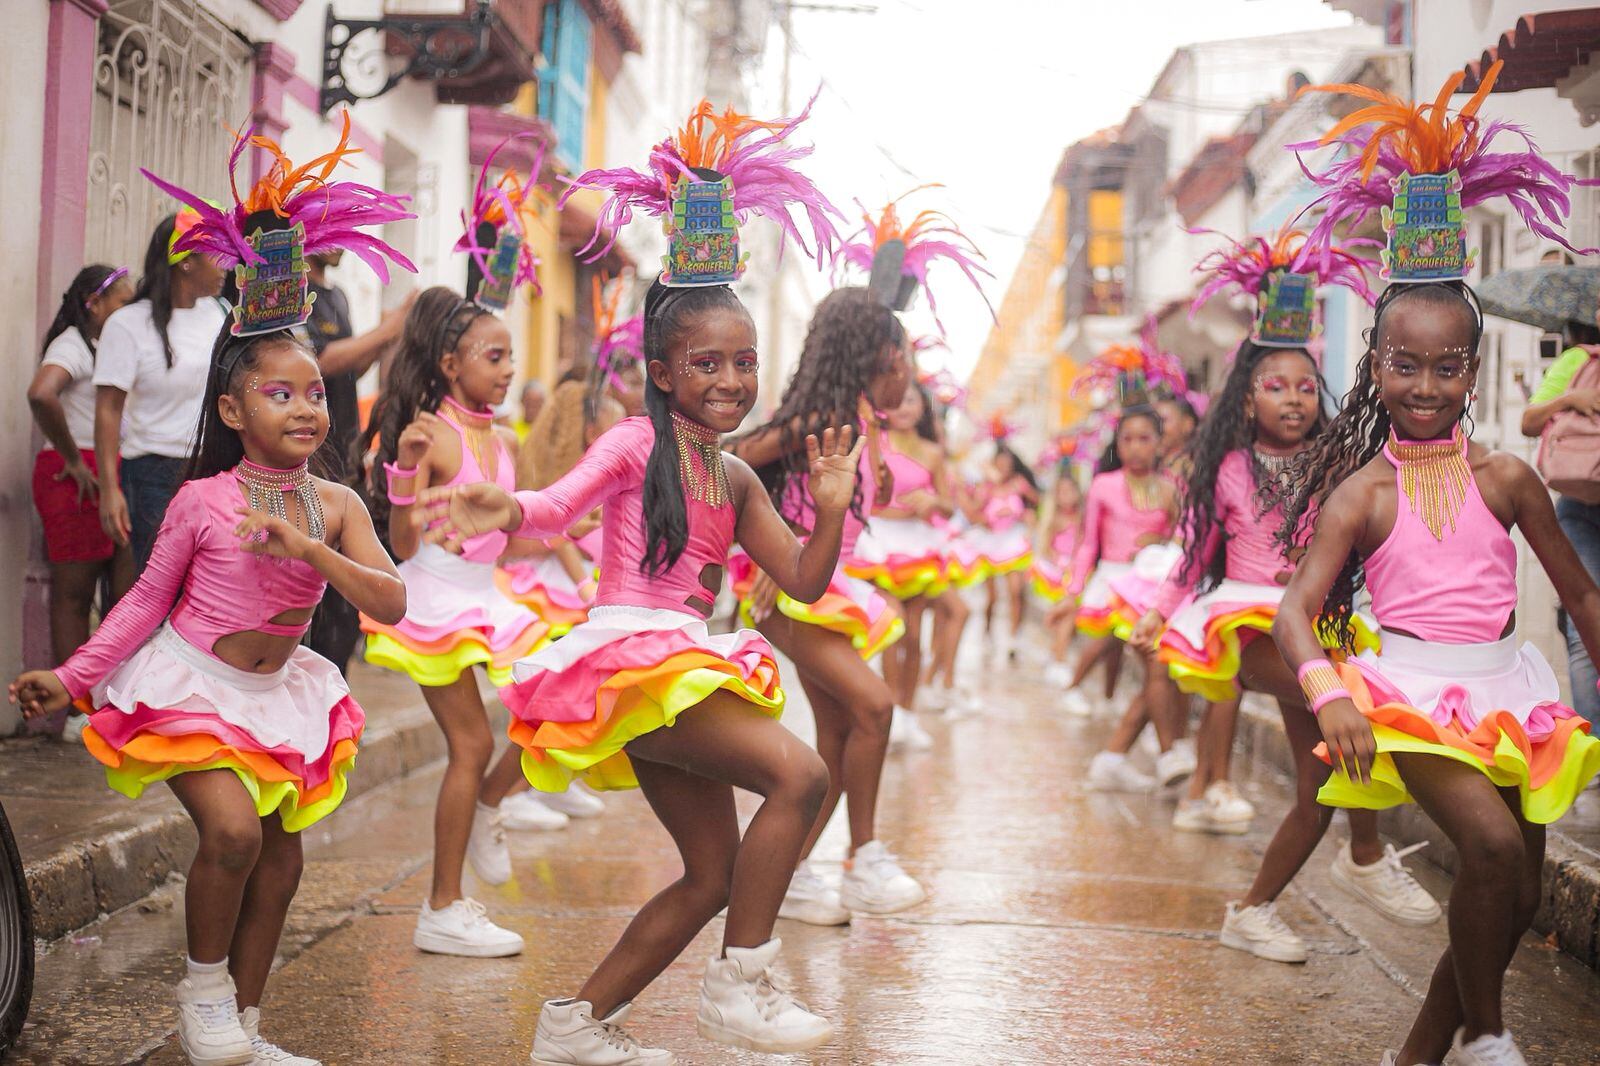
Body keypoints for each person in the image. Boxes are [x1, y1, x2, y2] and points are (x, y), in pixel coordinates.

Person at [421, 279, 850, 1061]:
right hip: (635, 657)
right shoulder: (633, 441)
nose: (730, 381)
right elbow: (557, 505)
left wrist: (827, 511)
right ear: (662, 373)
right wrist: (507, 506)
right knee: (803, 776)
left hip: (682, 661)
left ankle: (574, 1027)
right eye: (706, 364)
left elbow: (804, 580)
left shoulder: (738, 477)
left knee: (711, 876)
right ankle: (740, 984)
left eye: (744, 362)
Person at [10, 324, 405, 1066]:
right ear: (232, 412)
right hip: (190, 687)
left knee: (282, 864)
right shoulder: (201, 501)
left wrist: (312, 549)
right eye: (278, 393)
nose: (304, 409)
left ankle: (245, 1033)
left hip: (278, 696)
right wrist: (69, 678)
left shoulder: (337, 503)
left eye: (315, 394)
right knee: (233, 835)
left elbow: (391, 602)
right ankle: (202, 999)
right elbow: (141, 603)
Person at [1130, 336, 1436, 957]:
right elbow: (1194, 554)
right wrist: (1157, 614)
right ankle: (1367, 852)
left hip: (1312, 622)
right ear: (1247, 400)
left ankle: (1251, 912)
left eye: (1304, 386)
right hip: (1246, 625)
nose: (1293, 399)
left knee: (1319, 784)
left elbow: (1361, 545)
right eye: (1276, 387)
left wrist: (1321, 562)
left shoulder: (1334, 462)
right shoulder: (1227, 468)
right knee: (1346, 706)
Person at [356, 287, 551, 958]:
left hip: (489, 596)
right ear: (448, 363)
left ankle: (491, 807)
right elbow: (404, 546)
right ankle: (441, 906)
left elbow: (509, 539)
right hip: (436, 600)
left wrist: (578, 532)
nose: (505, 370)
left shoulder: (503, 438)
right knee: (468, 746)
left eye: (509, 357)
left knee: (560, 703)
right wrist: (406, 471)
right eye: (492, 357)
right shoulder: (431, 433)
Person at [733, 288, 924, 926]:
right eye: (903, 357)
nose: (909, 372)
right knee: (874, 705)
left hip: (825, 591)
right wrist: (772, 546)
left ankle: (789, 878)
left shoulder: (859, 421)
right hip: (789, 591)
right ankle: (864, 857)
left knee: (840, 740)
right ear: (879, 356)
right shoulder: (823, 417)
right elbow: (727, 462)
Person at [95, 212, 228, 571]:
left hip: (211, 469)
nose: (227, 265)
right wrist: (110, 490)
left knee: (206, 581)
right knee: (161, 583)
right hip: (153, 474)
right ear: (186, 262)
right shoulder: (127, 325)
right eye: (217, 254)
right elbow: (108, 409)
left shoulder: (216, 314)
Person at [301, 249, 412, 676]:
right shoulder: (297, 293)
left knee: (345, 596)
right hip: (310, 458)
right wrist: (385, 329)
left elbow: (349, 369)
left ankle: (335, 686)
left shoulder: (339, 295)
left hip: (344, 452)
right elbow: (320, 362)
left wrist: (386, 338)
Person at [28, 265, 137, 672]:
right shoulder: (73, 343)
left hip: (111, 469)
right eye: (124, 303)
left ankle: (107, 698)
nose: (131, 311)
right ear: (94, 304)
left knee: (125, 594)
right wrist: (73, 458)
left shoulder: (111, 344)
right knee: (74, 595)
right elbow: (41, 393)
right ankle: (76, 707)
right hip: (75, 475)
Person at [846, 383, 953, 751]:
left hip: (918, 544)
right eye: (899, 398)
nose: (905, 406)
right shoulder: (875, 443)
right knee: (894, 628)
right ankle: (889, 712)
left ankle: (908, 713)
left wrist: (933, 502)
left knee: (914, 634)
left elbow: (950, 507)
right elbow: (864, 492)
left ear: (923, 407)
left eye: (912, 400)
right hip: (880, 542)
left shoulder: (934, 453)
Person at [1519, 308, 1600, 730]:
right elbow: (1529, 422)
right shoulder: (1577, 361)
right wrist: (1570, 399)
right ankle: (1596, 756)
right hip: (1578, 510)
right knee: (1584, 632)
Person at [1033, 471, 1084, 687]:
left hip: (1076, 573)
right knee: (1064, 617)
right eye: (1062, 492)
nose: (1067, 496)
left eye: (1070, 491)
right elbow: (1045, 547)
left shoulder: (1082, 519)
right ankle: (1058, 658)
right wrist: (1059, 562)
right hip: (1057, 573)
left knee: (1068, 618)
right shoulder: (1054, 519)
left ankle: (1057, 655)